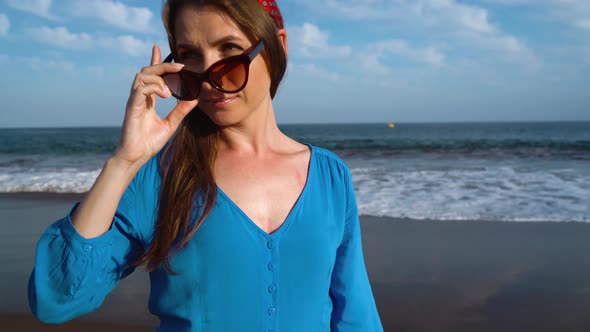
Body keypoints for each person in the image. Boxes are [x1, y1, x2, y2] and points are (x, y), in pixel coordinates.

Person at [27, 0, 384, 330]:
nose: (211, 75)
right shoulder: (162, 176)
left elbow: (355, 315)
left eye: (229, 50)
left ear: (278, 46)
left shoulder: (330, 176)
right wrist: (125, 161)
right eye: (190, 56)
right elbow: (56, 299)